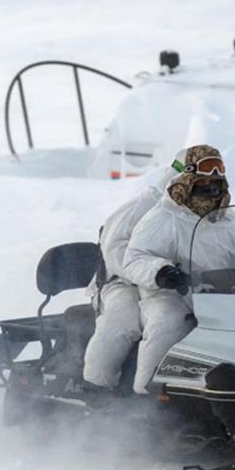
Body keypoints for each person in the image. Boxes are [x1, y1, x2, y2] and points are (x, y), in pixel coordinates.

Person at [123, 144, 235, 394]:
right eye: (207, 167)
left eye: (219, 168)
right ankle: (147, 391)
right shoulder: (165, 216)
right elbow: (134, 257)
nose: (214, 175)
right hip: (171, 294)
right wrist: (163, 273)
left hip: (224, 294)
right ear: (190, 173)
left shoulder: (228, 217)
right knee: (168, 323)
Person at [82, 165, 178, 392]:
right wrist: (156, 273)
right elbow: (116, 254)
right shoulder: (136, 210)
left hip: (169, 284)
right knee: (123, 319)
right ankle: (97, 385)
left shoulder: (197, 213)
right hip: (121, 283)